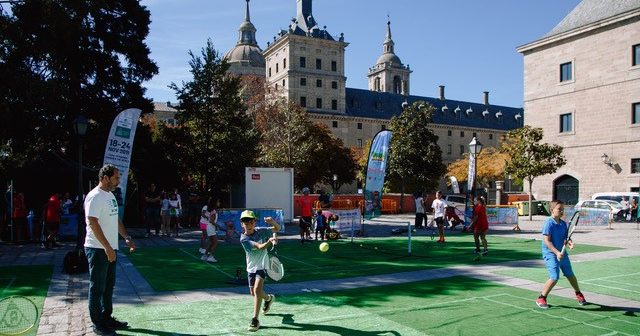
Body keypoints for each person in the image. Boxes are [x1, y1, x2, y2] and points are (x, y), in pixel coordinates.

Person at [84, 164, 135, 335]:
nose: (118, 181)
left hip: (109, 248)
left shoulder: (110, 195)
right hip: (97, 249)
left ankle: (106, 318)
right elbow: (92, 222)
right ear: (105, 178)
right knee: (97, 287)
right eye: (116, 177)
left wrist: (126, 237)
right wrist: (107, 247)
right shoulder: (95, 196)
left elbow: (115, 219)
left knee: (108, 286)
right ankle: (98, 324)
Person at [535, 200, 586, 309]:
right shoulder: (549, 223)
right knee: (554, 277)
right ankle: (541, 298)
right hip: (550, 253)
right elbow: (547, 241)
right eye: (559, 209)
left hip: (562, 253)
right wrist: (557, 252)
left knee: (570, 274)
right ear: (552, 210)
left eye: (563, 209)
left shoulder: (563, 224)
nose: (562, 211)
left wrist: (570, 243)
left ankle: (578, 294)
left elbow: (565, 238)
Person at [239, 210, 280, 332]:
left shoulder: (261, 230)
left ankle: (255, 319)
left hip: (262, 265)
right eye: (245, 221)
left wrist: (272, 221)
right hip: (251, 267)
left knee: (257, 290)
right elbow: (259, 247)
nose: (248, 223)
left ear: (254, 222)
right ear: (242, 224)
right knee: (254, 292)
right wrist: (270, 241)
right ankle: (268, 299)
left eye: (251, 221)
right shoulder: (244, 239)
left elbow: (277, 228)